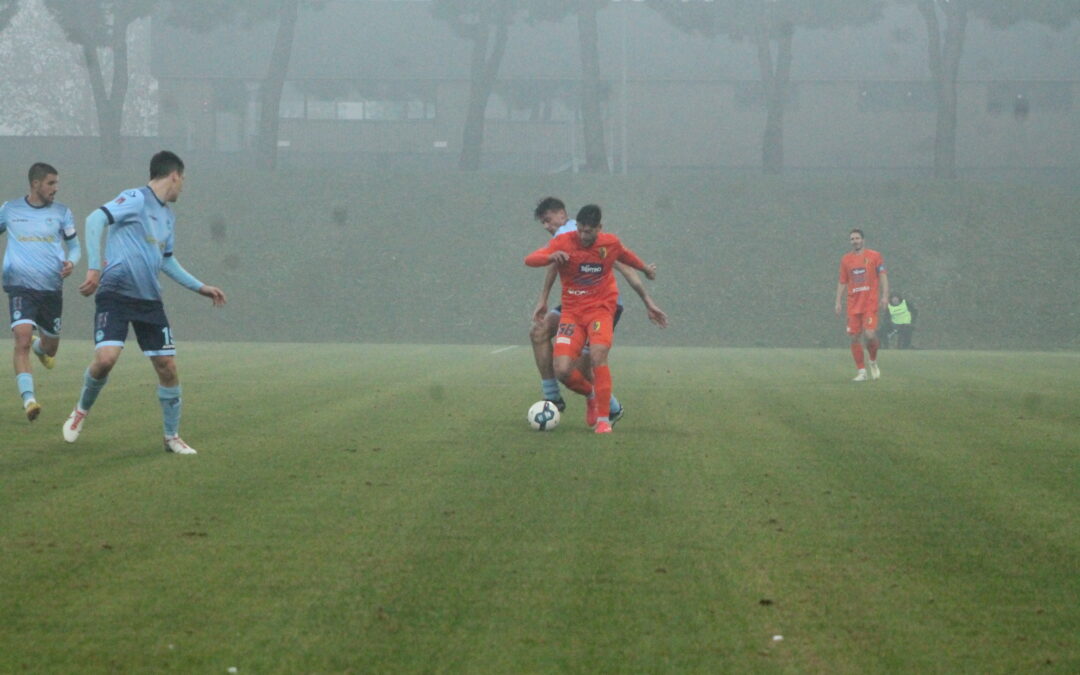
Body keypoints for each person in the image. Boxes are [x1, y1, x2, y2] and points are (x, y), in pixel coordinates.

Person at [61, 151, 226, 454]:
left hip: (149, 300)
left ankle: (171, 437)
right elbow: (95, 218)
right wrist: (95, 267)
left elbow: (166, 261)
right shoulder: (135, 198)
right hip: (115, 293)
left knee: (168, 367)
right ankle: (80, 412)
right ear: (174, 175)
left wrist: (200, 287)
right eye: (183, 180)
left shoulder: (168, 216)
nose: (182, 187)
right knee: (105, 360)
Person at [525, 204, 664, 434]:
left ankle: (604, 419)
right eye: (580, 230)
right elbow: (533, 260)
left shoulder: (608, 243)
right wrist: (550, 257)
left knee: (596, 357)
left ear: (599, 228)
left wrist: (646, 279)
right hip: (572, 311)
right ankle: (588, 397)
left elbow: (626, 260)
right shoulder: (564, 240)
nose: (583, 235)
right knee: (564, 369)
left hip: (602, 308)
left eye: (588, 231)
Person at [0, 163, 81, 421]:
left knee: (51, 349)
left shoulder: (62, 213)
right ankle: (29, 400)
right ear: (35, 184)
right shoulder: (10, 210)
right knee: (21, 339)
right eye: (51, 183)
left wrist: (72, 262)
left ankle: (41, 348)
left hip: (51, 290)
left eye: (56, 183)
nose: (55, 188)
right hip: (20, 286)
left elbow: (75, 248)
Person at [835, 228, 888, 381]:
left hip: (869, 302)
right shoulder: (846, 259)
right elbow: (842, 281)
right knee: (854, 337)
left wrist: (884, 296)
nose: (855, 241)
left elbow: (883, 276)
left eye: (857, 238)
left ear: (863, 240)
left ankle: (872, 360)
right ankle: (862, 372)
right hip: (853, 304)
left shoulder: (874, 256)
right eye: (852, 239)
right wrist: (838, 301)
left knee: (870, 334)